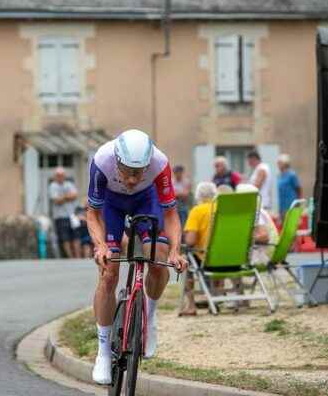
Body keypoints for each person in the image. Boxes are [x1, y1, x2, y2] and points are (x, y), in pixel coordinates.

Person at [87, 129, 188, 385]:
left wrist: (176, 250)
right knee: (109, 273)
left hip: (147, 200)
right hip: (111, 204)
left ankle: (149, 317)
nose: (132, 180)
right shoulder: (102, 161)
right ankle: (102, 351)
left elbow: (172, 214)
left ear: (148, 164)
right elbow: (93, 213)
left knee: (158, 257)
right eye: (127, 172)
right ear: (117, 161)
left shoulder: (160, 163)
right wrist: (101, 246)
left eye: (138, 172)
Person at [179, 181, 217, 316]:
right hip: (229, 259)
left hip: (206, 259)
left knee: (186, 258)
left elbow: (190, 240)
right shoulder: (223, 208)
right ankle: (216, 298)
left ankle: (191, 305)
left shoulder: (197, 210)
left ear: (198, 196)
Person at [49, 167, 81, 259]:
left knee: (76, 236)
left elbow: (75, 195)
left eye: (62, 175)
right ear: (55, 176)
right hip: (60, 216)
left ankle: (77, 257)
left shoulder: (69, 184)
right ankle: (70, 257)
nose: (60, 177)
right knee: (65, 238)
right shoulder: (53, 186)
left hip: (72, 215)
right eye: (58, 175)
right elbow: (56, 200)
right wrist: (67, 196)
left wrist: (63, 197)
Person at [276, 154, 303, 220]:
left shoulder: (292, 175)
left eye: (280, 163)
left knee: (290, 223)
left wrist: (298, 203)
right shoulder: (280, 175)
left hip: (291, 204)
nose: (278, 165)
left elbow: (299, 188)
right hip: (282, 205)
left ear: (285, 163)